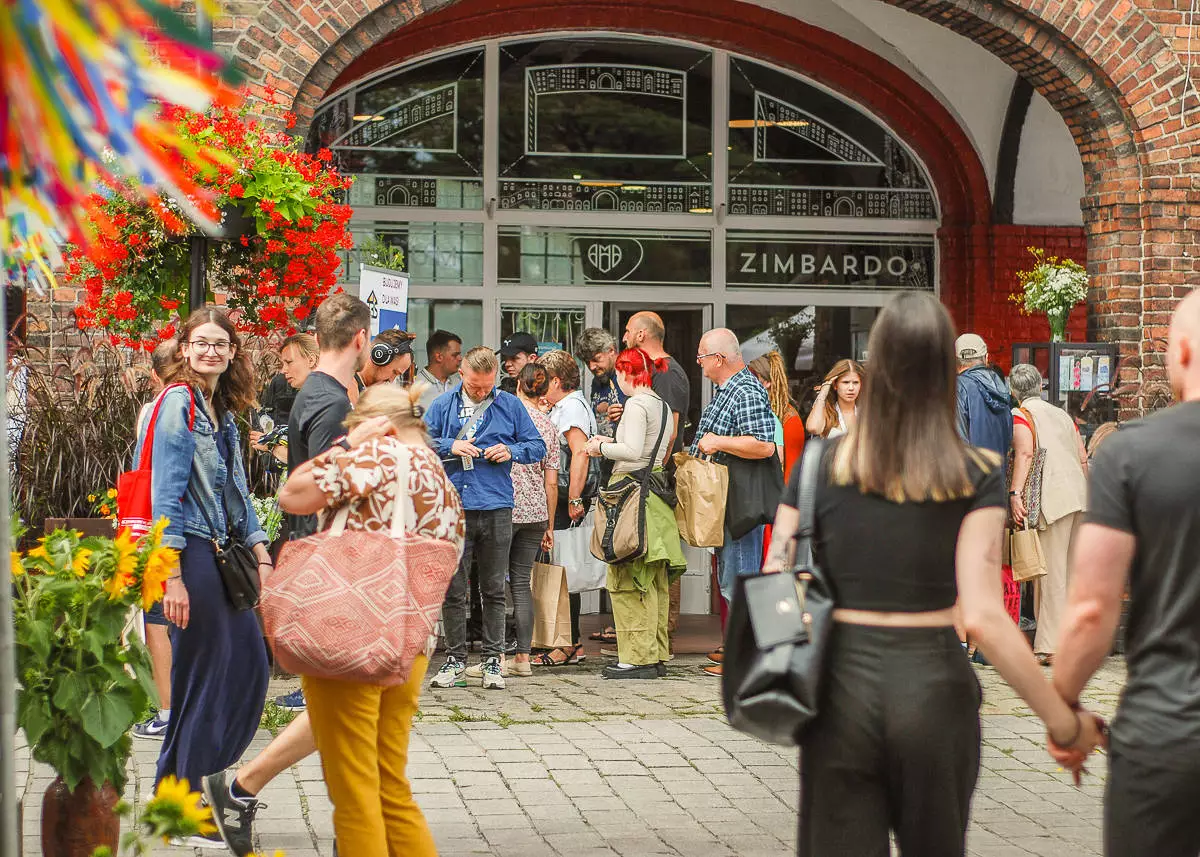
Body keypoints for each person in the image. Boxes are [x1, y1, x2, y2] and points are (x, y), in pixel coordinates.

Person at [762, 291, 1102, 857]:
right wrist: (1062, 723)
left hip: (840, 688)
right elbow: (986, 616)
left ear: (876, 366)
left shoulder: (823, 463)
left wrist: (781, 665)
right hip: (933, 685)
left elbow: (775, 570)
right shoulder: (974, 471)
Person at [204, 293, 372, 857]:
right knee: (346, 705)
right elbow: (327, 490)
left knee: (349, 705)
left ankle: (241, 792)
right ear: (360, 340)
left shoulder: (319, 395)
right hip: (330, 566)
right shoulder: (328, 404)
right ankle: (236, 790)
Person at [276, 383, 464, 857]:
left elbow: (293, 494)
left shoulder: (377, 456)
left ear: (371, 422)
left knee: (354, 794)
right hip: (409, 644)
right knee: (388, 786)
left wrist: (348, 446)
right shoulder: (440, 478)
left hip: (350, 637)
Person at [1051, 289, 1200, 857]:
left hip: (1166, 729)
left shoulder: (1130, 454)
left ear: (1180, 350)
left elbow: (1092, 608)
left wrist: (1062, 704)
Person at [143, 309, 272, 849]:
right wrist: (170, 575)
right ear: (184, 350)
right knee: (202, 679)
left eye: (221, 344)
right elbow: (164, 494)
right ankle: (179, 804)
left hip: (222, 553)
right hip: (189, 554)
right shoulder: (178, 404)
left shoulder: (219, 408)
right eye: (201, 343)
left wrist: (263, 555)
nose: (211, 352)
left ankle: (187, 789)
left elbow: (238, 493)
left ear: (233, 352)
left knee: (251, 665)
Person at [425, 346, 546, 690]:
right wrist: (451, 446)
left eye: (487, 387)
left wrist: (511, 450)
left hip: (496, 504)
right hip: (453, 507)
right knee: (453, 589)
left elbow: (537, 446)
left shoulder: (508, 404)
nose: (481, 392)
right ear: (461, 374)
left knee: (494, 587)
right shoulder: (441, 405)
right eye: (475, 387)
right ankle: (455, 660)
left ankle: (493, 659)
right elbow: (420, 442)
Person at [585, 348, 686, 679]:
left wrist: (598, 446)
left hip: (630, 493)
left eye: (617, 376)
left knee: (628, 577)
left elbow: (629, 451)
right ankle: (654, 654)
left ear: (625, 374)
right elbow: (662, 443)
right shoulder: (659, 403)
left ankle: (636, 658)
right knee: (654, 579)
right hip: (654, 495)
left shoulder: (636, 404)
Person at [465, 363, 559, 679]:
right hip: (536, 514)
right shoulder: (547, 425)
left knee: (495, 583)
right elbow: (551, 480)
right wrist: (548, 523)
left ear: (518, 385)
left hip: (505, 508)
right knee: (521, 583)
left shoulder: (505, 414)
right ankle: (523, 657)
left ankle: (498, 655)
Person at [693, 328, 777, 678]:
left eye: (701, 356)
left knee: (740, 581)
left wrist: (717, 442)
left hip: (741, 504)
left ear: (719, 359)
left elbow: (764, 445)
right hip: (728, 502)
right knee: (733, 577)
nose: (699, 363)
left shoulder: (744, 390)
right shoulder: (731, 388)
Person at [1008, 364, 1088, 665]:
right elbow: (1082, 457)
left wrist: (1015, 493)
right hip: (1077, 497)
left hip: (1051, 501)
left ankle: (1050, 647)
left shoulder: (1022, 415)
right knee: (1070, 573)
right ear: (1040, 387)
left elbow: (1025, 454)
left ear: (1014, 392)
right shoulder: (1062, 414)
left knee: (1051, 574)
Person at [621, 311, 691, 652]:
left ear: (641, 336)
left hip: (655, 481)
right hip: (651, 478)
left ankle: (660, 635)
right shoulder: (655, 374)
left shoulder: (668, 372)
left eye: (627, 332)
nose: (623, 338)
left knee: (659, 555)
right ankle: (650, 637)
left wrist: (650, 475)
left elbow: (670, 430)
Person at [131, 337, 181, 741]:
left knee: (157, 621)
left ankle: (166, 711)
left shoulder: (156, 409)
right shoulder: (200, 405)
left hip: (158, 524)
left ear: (153, 375)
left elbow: (147, 470)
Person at [537, 349, 597, 666]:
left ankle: (570, 641)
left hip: (563, 496)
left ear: (557, 380)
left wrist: (574, 497)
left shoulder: (571, 408)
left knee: (564, 570)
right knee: (561, 568)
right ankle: (565, 640)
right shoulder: (567, 405)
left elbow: (579, 453)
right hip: (561, 496)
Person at [252, 332, 320, 466]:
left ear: (311, 360)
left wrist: (271, 447)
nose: (283, 370)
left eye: (288, 362)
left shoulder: (323, 401)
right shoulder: (312, 397)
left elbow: (314, 461)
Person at [954, 332, 1013, 462]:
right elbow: (1009, 439)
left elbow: (957, 443)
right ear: (986, 358)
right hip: (996, 477)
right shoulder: (1001, 388)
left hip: (970, 477)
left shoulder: (958, 388)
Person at [749, 350, 804, 476]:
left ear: (768, 383)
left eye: (753, 378)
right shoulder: (751, 410)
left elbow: (792, 471)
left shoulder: (790, 418)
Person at [576, 327, 626, 433]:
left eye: (596, 359)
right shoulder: (597, 381)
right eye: (587, 362)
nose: (592, 367)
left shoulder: (629, 377)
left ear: (611, 350)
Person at [805, 359, 863, 438]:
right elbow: (813, 428)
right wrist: (823, 393)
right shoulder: (827, 411)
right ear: (835, 385)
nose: (851, 388)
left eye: (855, 382)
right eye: (845, 382)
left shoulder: (866, 412)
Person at [416, 329, 463, 410]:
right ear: (438, 357)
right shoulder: (415, 385)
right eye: (455, 355)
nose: (460, 358)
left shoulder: (461, 384)